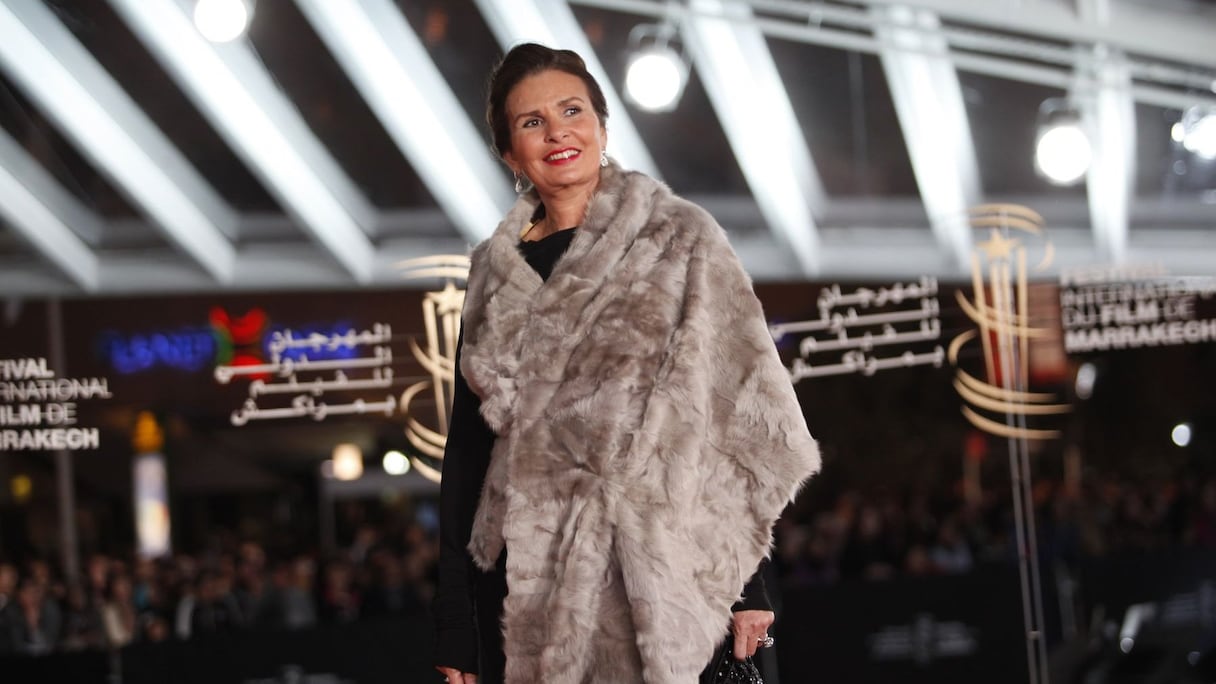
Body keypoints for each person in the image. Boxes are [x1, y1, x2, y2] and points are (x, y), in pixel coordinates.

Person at [432, 43, 820, 684]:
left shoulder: (679, 238)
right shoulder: (492, 275)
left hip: (672, 569)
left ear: (602, 125)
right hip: (526, 585)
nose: (558, 132)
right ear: (510, 153)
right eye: (532, 122)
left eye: (571, 110)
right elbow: (468, 451)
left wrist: (748, 582)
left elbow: (736, 411)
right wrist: (454, 620)